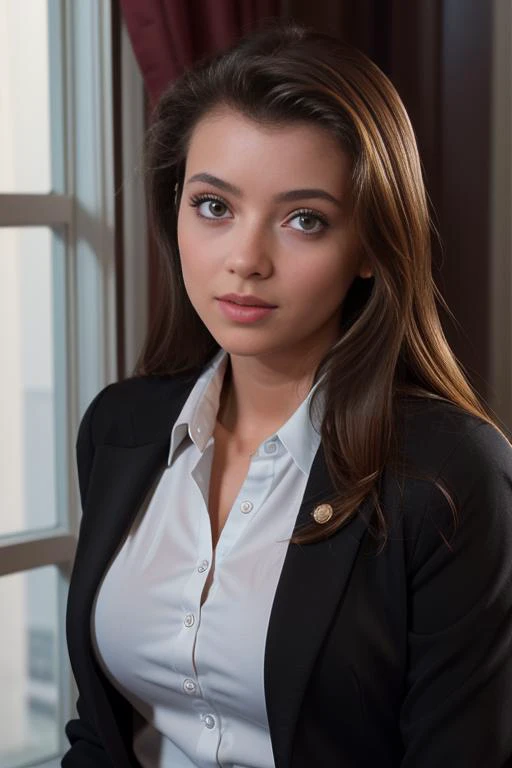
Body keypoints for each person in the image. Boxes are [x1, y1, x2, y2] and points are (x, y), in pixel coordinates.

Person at [62, 20, 512, 768]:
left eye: (305, 220)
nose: (245, 259)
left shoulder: (450, 478)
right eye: (214, 206)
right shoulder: (121, 427)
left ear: (370, 246)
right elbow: (100, 733)